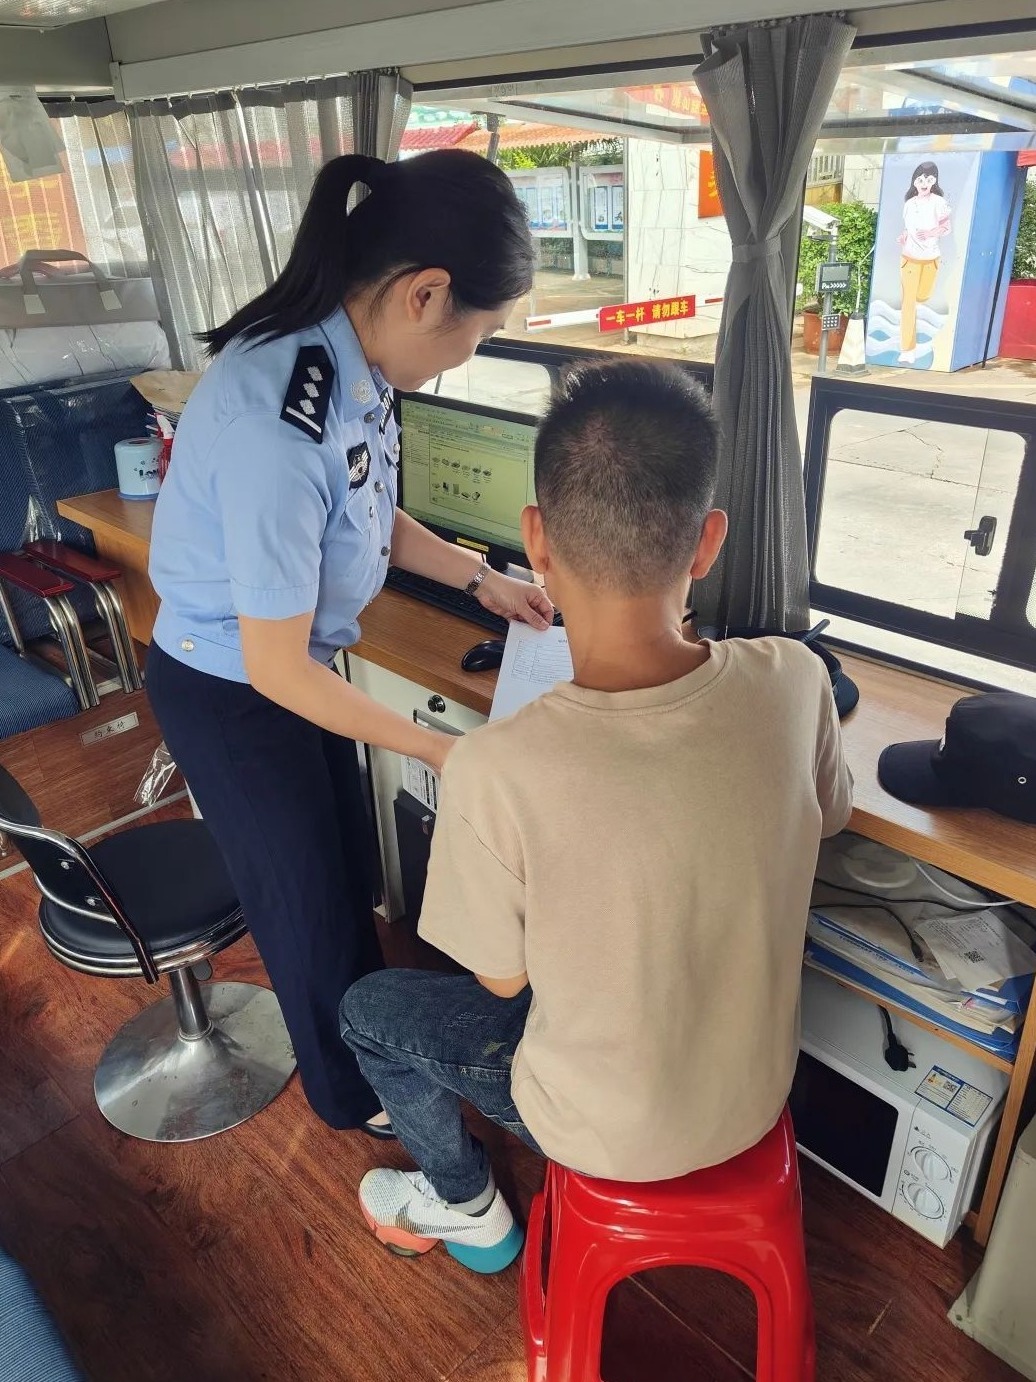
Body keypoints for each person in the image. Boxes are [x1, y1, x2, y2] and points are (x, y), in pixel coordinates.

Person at [340, 358, 854, 1274]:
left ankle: (465, 1207)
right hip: (755, 1094)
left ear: (535, 540)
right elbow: (829, 818)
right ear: (708, 542)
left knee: (367, 1009)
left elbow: (503, 982)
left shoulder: (496, 768)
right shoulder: (797, 678)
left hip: (598, 1128)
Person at [146, 149, 550, 1138]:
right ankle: (352, 1095)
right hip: (234, 692)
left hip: (298, 671)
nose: (460, 360)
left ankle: (374, 1040)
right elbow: (272, 666)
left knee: (345, 872)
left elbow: (367, 511)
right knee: (304, 904)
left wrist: (483, 579)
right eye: (475, 336)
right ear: (426, 294)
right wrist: (440, 750)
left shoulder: (351, 365)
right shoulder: (278, 420)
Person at [897, 161, 951, 365]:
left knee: (923, 296)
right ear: (914, 182)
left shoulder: (939, 202)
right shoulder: (909, 204)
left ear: (934, 181)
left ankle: (919, 304)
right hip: (908, 259)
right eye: (920, 179)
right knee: (908, 303)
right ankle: (907, 350)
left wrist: (930, 233)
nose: (924, 183)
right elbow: (908, 228)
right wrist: (904, 236)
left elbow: (946, 227)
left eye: (928, 179)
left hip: (930, 259)